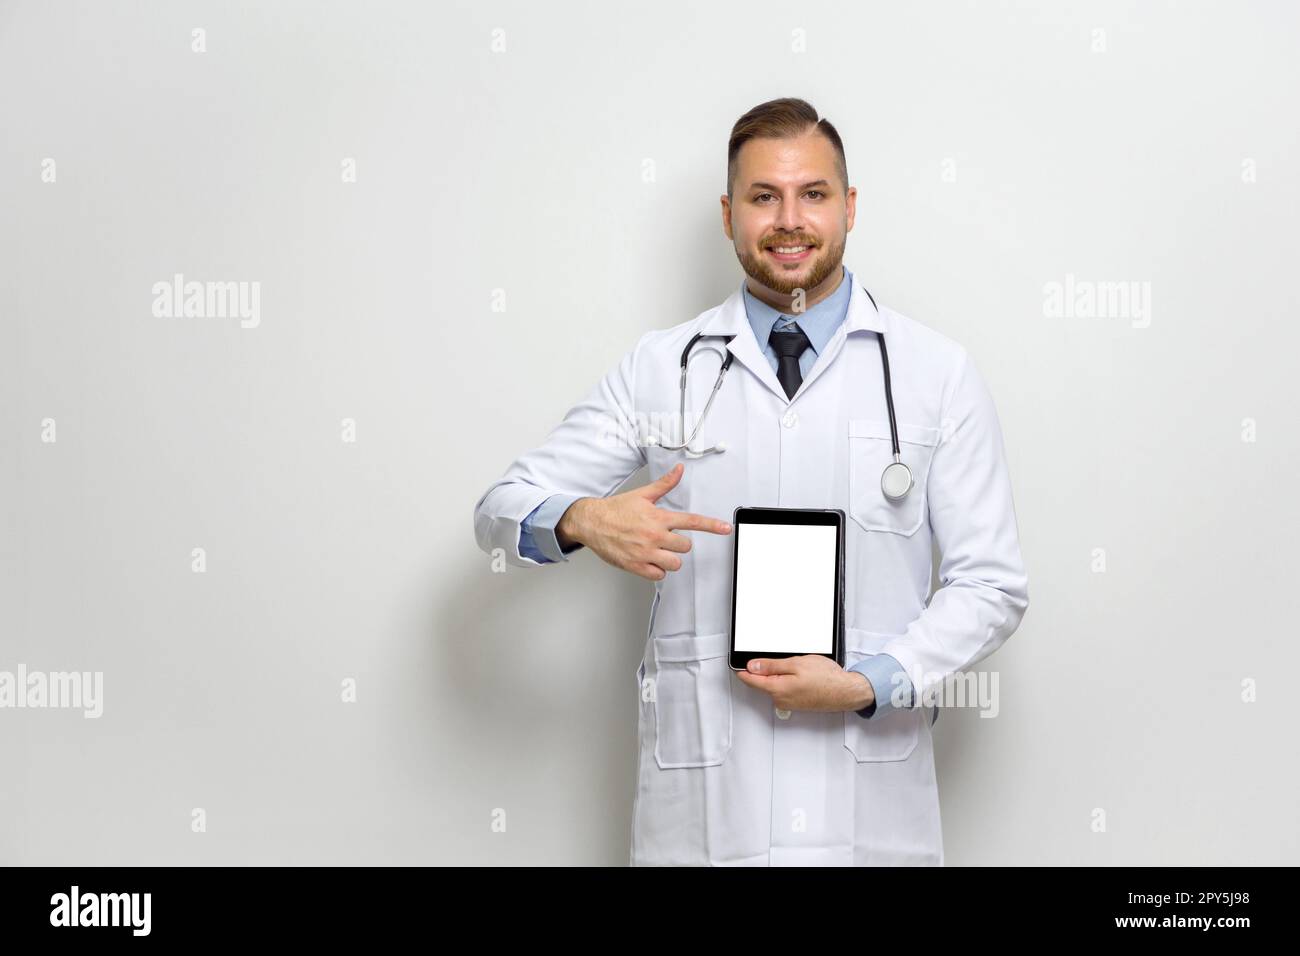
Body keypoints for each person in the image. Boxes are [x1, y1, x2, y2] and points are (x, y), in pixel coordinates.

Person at [473, 97, 1029, 866]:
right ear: (730, 214)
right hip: (705, 813)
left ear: (851, 207)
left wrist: (870, 682)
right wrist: (584, 519)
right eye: (764, 197)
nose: (789, 219)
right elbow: (501, 511)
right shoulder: (661, 367)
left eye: (814, 194)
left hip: (869, 810)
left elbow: (991, 585)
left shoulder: (935, 375)